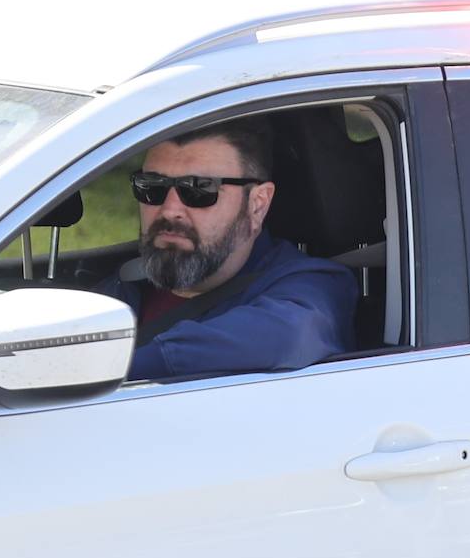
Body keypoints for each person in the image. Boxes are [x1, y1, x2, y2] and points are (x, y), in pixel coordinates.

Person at [94, 117, 359, 381]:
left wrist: (118, 368)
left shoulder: (310, 288)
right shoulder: (121, 287)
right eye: (152, 187)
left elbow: (291, 337)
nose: (170, 210)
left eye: (199, 189)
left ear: (257, 205)